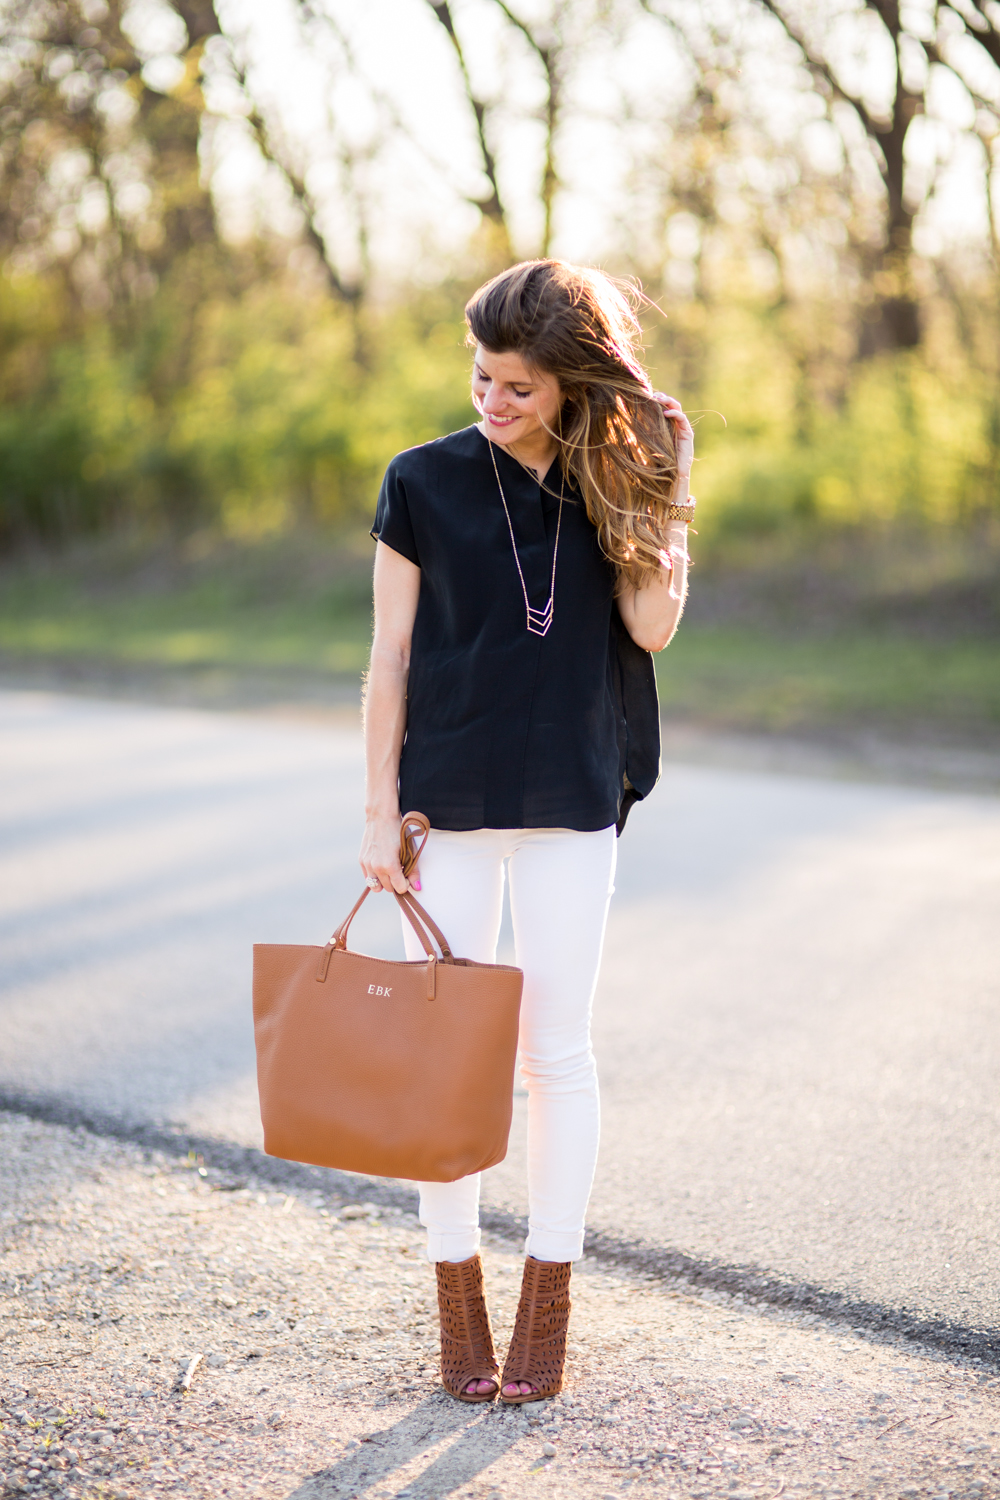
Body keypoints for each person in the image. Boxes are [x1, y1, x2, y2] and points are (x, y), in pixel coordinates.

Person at [360, 259, 695, 1405]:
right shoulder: (419, 481)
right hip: (440, 805)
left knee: (555, 1052)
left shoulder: (615, 486)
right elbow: (389, 659)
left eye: (515, 386)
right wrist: (372, 812)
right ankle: (458, 1305)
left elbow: (649, 630)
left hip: (571, 799)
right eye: (480, 376)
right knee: (448, 1063)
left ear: (568, 388)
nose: (489, 400)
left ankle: (547, 1306)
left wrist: (665, 487)